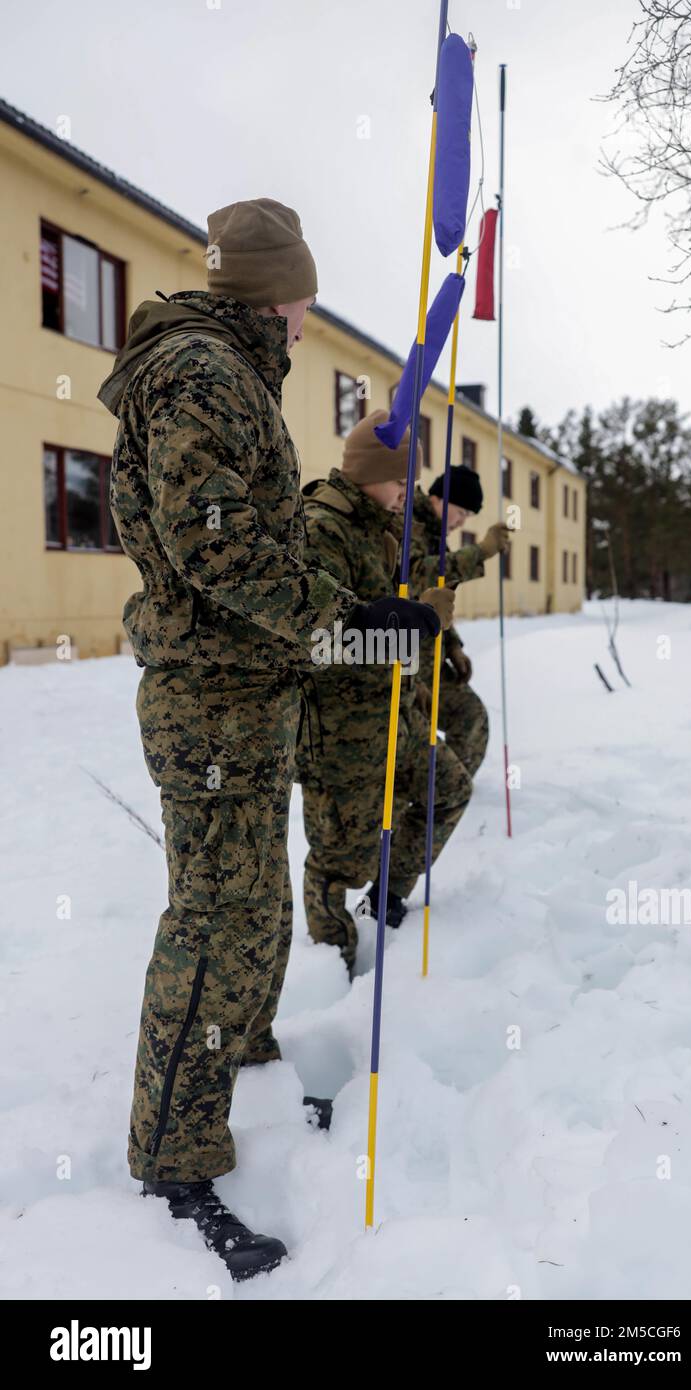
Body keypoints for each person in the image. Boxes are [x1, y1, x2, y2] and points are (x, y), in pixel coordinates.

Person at [98, 200, 446, 1280]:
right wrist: (343, 621)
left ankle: (236, 1054)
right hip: (211, 700)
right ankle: (174, 1150)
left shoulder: (225, 367)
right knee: (218, 919)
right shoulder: (203, 372)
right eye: (300, 299)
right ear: (271, 289)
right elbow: (221, 553)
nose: (306, 321)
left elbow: (250, 558)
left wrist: (359, 625)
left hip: (242, 693)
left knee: (244, 914)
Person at [297, 410, 471, 975]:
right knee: (336, 864)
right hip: (344, 734)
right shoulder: (323, 529)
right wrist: (415, 627)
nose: (407, 493)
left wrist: (429, 625)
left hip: (398, 716)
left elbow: (399, 610)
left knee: (449, 790)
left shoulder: (385, 524)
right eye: (400, 480)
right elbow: (317, 646)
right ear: (369, 472)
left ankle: (387, 900)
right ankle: (332, 970)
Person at [410, 467, 510, 778]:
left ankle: (452, 788)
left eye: (467, 515)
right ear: (438, 498)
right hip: (403, 663)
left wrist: (453, 645)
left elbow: (437, 602)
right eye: (460, 511)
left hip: (431, 661)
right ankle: (434, 795)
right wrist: (480, 552)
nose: (461, 521)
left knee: (472, 717)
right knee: (412, 740)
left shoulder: (435, 535)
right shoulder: (407, 524)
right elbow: (417, 576)